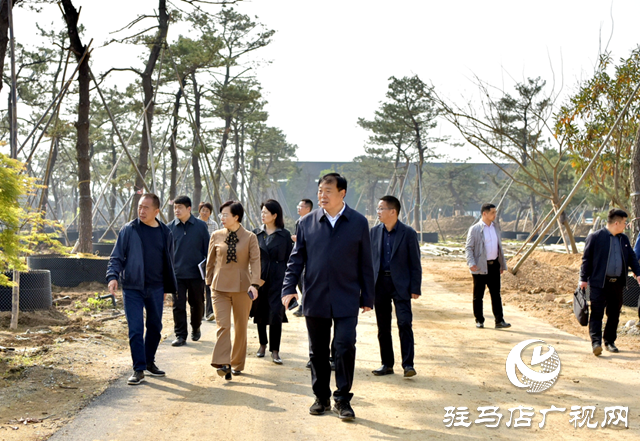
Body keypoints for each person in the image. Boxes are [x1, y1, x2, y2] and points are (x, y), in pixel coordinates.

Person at [282, 173, 375, 421]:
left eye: (328, 191)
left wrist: (368, 296)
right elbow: (296, 260)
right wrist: (288, 287)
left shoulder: (358, 222)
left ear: (342, 193)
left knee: (345, 346)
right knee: (318, 351)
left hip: (347, 296)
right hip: (316, 295)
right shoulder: (307, 223)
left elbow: (366, 261)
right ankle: (321, 397)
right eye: (320, 191)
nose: (322, 195)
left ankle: (342, 399)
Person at [106, 193, 178, 385]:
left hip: (156, 287)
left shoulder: (165, 233)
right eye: (139, 206)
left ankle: (149, 361)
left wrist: (166, 287)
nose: (141, 210)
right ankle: (138, 369)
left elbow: (168, 262)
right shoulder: (129, 230)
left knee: (155, 327)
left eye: (146, 207)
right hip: (132, 287)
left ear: (156, 211)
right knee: (136, 329)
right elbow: (116, 256)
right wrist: (112, 277)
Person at [205, 200, 263, 380]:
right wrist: (208, 281)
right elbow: (210, 261)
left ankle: (236, 362)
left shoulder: (250, 237)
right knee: (223, 325)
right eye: (221, 214)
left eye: (225, 215)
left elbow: (255, 262)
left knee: (240, 327)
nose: (221, 218)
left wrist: (255, 284)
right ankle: (224, 363)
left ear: (236, 217)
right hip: (219, 287)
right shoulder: (216, 235)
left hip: (242, 288)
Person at [370, 195, 421, 378]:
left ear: (393, 211)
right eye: (378, 208)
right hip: (379, 284)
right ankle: (387, 364)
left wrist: (415, 287)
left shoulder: (408, 233)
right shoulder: (374, 232)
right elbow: (369, 261)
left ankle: (408, 364)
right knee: (383, 326)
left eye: (381, 208)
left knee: (404, 323)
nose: (378, 212)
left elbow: (415, 262)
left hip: (401, 284)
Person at [580, 208, 640, 356]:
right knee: (597, 313)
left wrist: (638, 273)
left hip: (617, 283)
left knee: (614, 314)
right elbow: (586, 259)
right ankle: (596, 343)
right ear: (616, 223)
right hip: (599, 283)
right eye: (624, 222)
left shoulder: (623, 239)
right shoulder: (595, 237)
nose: (626, 225)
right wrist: (583, 279)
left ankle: (609, 341)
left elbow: (632, 257)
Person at [251, 200, 294, 364]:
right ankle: (262, 344)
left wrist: (290, 283)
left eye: (266, 212)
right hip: (260, 278)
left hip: (279, 278)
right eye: (261, 212)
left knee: (276, 313)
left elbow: (290, 260)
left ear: (275, 215)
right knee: (260, 312)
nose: (262, 215)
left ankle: (275, 350)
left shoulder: (285, 235)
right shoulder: (256, 234)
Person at [167, 195, 210, 347]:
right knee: (178, 305)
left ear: (189, 209)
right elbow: (166, 252)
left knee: (197, 303)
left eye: (180, 207)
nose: (176, 210)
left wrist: (208, 270)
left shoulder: (200, 226)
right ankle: (180, 335)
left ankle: (196, 326)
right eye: (175, 207)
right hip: (177, 274)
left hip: (196, 274)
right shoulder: (170, 228)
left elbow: (208, 249)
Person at [465, 203, 511, 329]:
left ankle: (499, 320)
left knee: (496, 294)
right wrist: (471, 263)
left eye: (495, 212)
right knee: (478, 296)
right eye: (492, 213)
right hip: (480, 267)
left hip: (494, 265)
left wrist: (501, 264)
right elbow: (469, 248)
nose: (495, 215)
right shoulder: (475, 229)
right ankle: (479, 320)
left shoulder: (496, 227)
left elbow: (498, 247)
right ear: (484, 214)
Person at [292, 199, 313, 317]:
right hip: (300, 257)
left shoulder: (313, 222)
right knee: (300, 282)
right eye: (298, 206)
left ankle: (303, 306)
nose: (298, 208)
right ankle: (304, 304)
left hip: (309, 257)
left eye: (301, 206)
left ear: (308, 209)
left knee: (305, 281)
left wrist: (299, 239)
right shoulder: (298, 222)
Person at [198, 202, 218, 321]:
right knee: (198, 287)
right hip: (197, 258)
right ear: (199, 211)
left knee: (209, 284)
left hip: (210, 258)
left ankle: (209, 312)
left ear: (210, 213)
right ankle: (200, 312)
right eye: (203, 210)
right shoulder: (194, 223)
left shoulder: (214, 225)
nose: (204, 212)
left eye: (207, 211)